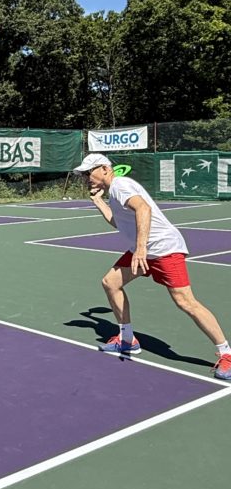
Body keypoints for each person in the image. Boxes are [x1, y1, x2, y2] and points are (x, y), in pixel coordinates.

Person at [74, 153, 231, 381]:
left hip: (164, 249)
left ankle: (227, 353)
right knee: (110, 283)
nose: (86, 178)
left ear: (105, 169)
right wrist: (98, 201)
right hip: (145, 251)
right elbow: (118, 222)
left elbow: (143, 209)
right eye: (84, 175)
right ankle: (127, 339)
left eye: (89, 173)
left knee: (186, 302)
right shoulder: (114, 191)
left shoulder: (120, 185)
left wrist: (140, 248)